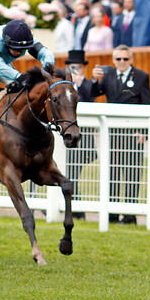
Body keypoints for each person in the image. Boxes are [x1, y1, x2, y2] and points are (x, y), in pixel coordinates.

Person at [91, 45, 150, 225]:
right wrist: (94, 80)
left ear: (131, 60)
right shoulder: (109, 75)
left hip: (133, 135)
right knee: (112, 173)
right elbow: (94, 93)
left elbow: (148, 105)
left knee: (132, 174)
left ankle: (129, 215)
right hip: (113, 132)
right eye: (118, 59)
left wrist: (144, 131)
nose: (122, 62)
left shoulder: (141, 77)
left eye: (125, 59)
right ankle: (111, 213)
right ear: (113, 60)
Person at [63, 49, 95, 219]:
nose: (76, 70)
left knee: (73, 172)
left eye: (79, 67)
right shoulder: (62, 85)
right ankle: (75, 207)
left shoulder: (88, 84)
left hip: (83, 137)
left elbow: (91, 97)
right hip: (67, 136)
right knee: (68, 172)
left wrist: (80, 83)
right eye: (72, 67)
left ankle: (76, 207)